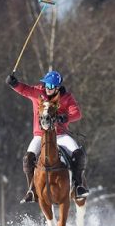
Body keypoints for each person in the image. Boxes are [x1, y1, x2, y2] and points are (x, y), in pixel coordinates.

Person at [6, 71, 90, 203]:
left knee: (78, 153)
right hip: (41, 135)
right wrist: (14, 84)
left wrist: (66, 117)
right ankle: (31, 190)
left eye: (50, 86)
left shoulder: (66, 98)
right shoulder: (38, 92)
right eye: (46, 84)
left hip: (60, 135)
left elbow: (77, 113)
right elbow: (24, 90)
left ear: (57, 87)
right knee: (28, 158)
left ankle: (78, 186)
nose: (47, 88)